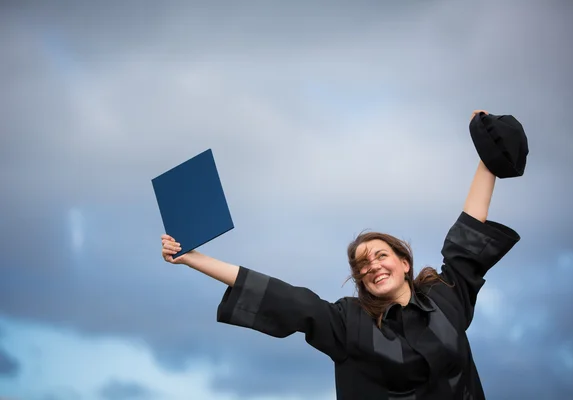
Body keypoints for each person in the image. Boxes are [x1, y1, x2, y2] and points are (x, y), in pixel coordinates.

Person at [160, 110, 521, 400]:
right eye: (363, 265)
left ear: (404, 262)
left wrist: (487, 152)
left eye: (380, 255)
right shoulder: (350, 324)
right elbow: (285, 298)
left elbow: (467, 236)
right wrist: (194, 258)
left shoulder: (445, 298)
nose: (374, 266)